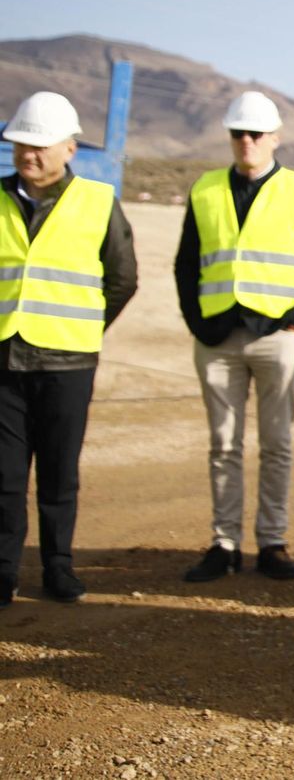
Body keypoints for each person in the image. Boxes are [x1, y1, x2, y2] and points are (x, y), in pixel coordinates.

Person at [175, 90, 294, 583]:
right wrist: (198, 324)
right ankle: (224, 544)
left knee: (276, 444)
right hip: (219, 337)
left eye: (255, 134)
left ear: (275, 139)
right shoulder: (204, 190)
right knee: (223, 445)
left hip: (276, 337)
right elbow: (186, 264)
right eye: (238, 134)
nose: (246, 141)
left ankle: (272, 541)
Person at [0, 92, 138, 606]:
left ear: (70, 149)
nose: (28, 154)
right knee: (5, 475)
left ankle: (58, 567)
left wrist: (84, 327)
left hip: (68, 361)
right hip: (5, 359)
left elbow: (122, 278)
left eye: (39, 145)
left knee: (60, 473)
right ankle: (4, 571)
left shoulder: (98, 202)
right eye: (20, 144)